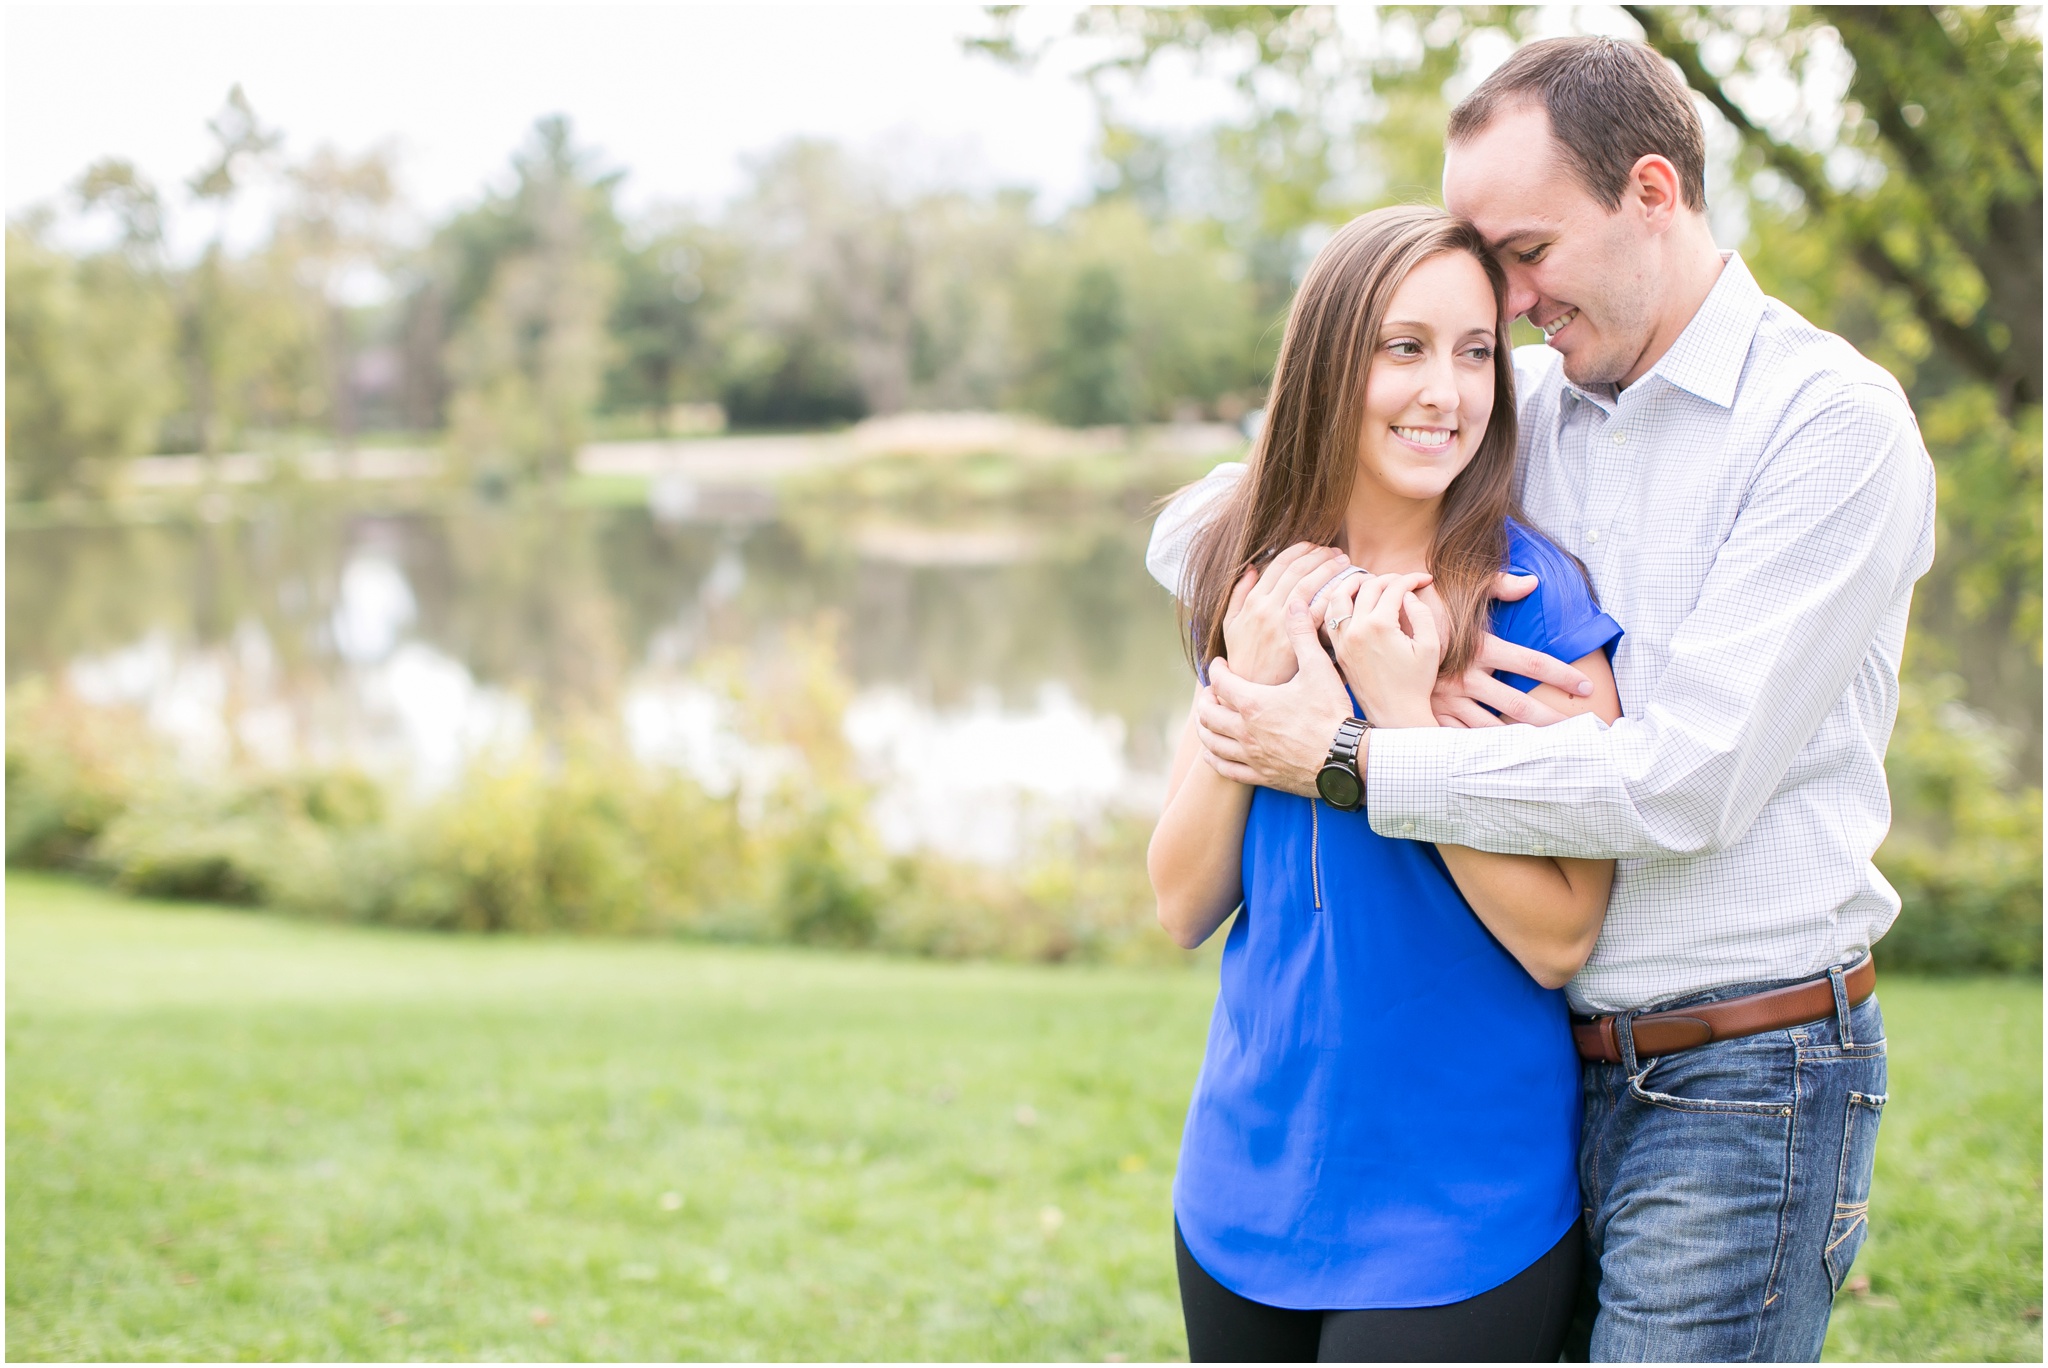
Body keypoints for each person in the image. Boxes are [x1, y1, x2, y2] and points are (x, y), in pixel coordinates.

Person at [1153, 36, 1936, 1363]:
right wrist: (1294, 597)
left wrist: (1353, 748)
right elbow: (1220, 516)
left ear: (1650, 193)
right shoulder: (1543, 402)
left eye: (1526, 252)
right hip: (1546, 1067)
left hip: (1738, 1073)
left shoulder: (1828, 427)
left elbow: (1684, 783)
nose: (1508, 308)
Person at [1148, 202, 1625, 1363]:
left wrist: (1402, 723)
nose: (1445, 392)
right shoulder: (1248, 574)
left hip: (1456, 1216)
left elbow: (1562, 936)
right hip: (1239, 1189)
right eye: (1402, 348)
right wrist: (1248, 681)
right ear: (1327, 361)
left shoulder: (1533, 604)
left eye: (1473, 353)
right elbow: (1178, 904)